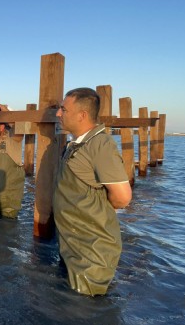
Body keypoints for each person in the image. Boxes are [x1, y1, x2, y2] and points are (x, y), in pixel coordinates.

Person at [53, 87, 132, 296]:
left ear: (82, 115)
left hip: (91, 254)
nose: (58, 114)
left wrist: (99, 210)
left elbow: (123, 198)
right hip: (73, 246)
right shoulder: (78, 144)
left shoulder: (100, 145)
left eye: (63, 109)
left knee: (83, 311)